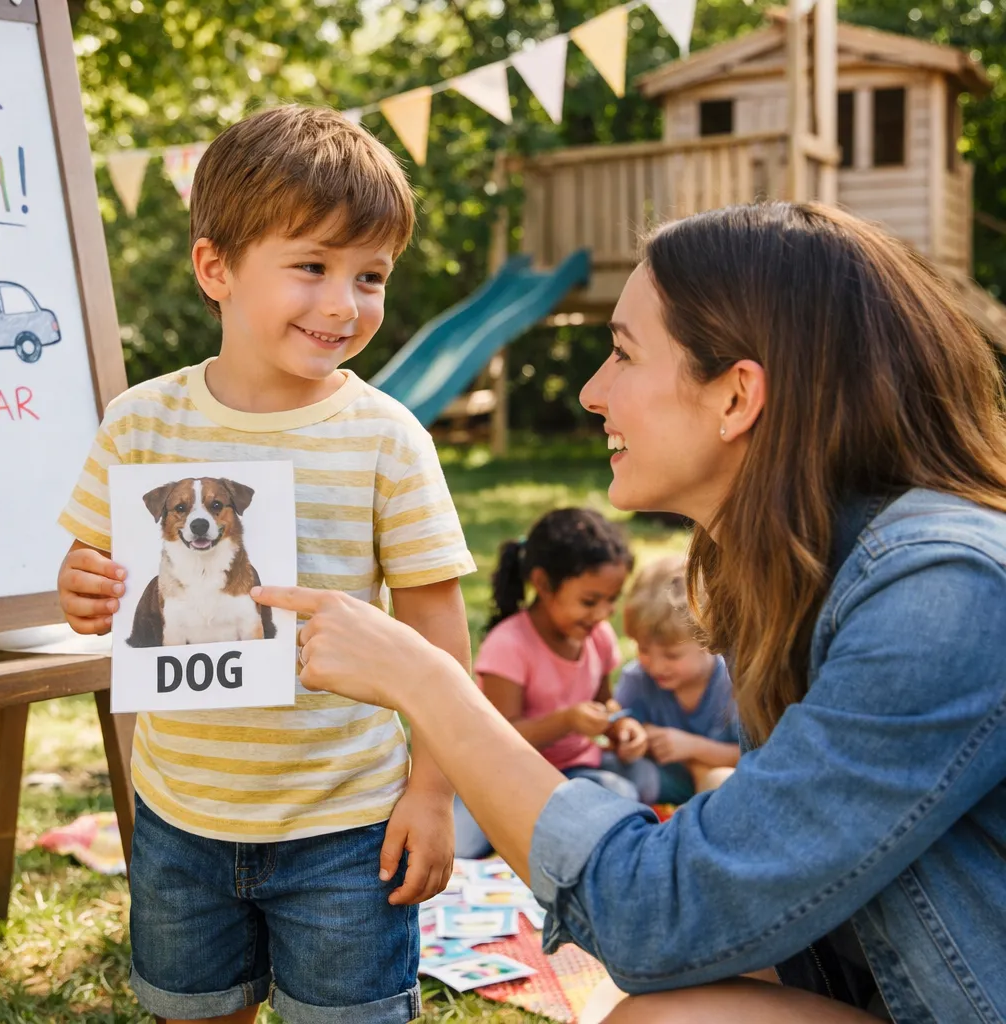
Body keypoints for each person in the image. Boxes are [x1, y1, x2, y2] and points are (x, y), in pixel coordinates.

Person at [253, 202, 1006, 1022]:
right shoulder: (800, 574)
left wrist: (427, 683)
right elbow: (727, 904)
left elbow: (655, 916)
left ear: (736, 396)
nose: (590, 392)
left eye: (622, 353)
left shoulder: (945, 592)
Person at [56, 105, 476, 1024]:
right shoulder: (140, 424)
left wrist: (435, 790)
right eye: (313, 267)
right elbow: (90, 567)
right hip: (180, 816)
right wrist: (82, 589)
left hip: (345, 825)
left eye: (370, 275)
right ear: (217, 268)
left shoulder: (386, 439)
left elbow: (438, 628)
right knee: (192, 1010)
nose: (344, 303)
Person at [453, 509, 647, 858]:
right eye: (590, 601)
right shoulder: (509, 645)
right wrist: (567, 720)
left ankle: (544, 826)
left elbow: (606, 701)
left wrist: (621, 727)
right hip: (505, 777)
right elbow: (500, 739)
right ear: (542, 584)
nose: (603, 614)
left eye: (611, 600)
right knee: (461, 841)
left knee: (627, 792)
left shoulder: (597, 637)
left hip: (573, 773)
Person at [615, 554, 739, 805]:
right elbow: (618, 725)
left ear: (708, 641)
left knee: (724, 784)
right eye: (644, 650)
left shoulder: (734, 686)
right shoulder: (637, 679)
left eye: (672, 655)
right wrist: (632, 736)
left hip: (725, 787)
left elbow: (756, 756)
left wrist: (693, 748)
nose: (656, 666)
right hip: (662, 782)